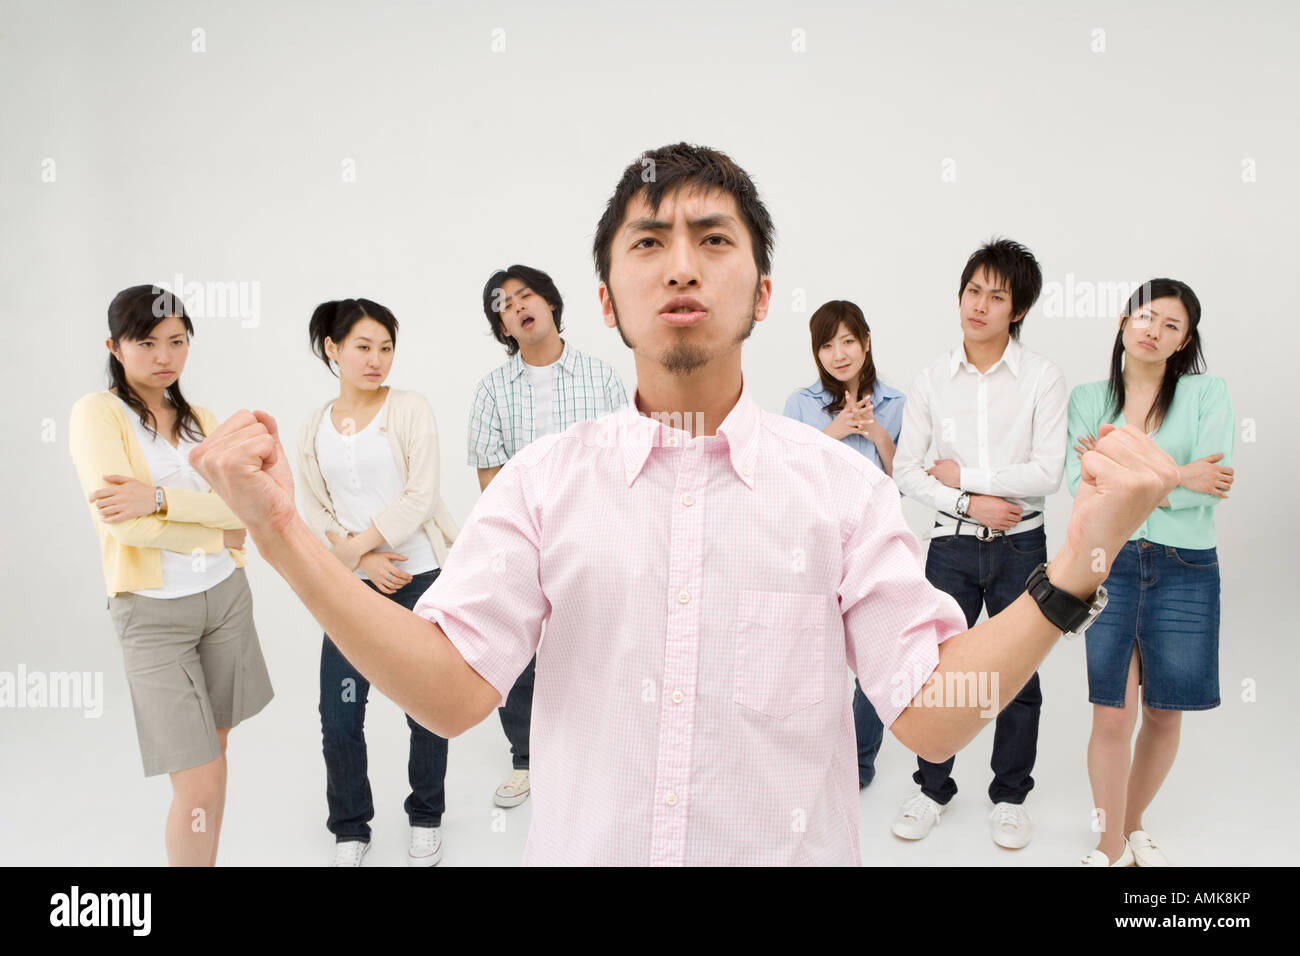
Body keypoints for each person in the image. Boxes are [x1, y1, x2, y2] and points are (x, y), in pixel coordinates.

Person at [189, 143, 1177, 866]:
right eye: (649, 241)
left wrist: (1076, 559)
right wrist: (280, 532)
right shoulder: (541, 484)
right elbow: (450, 693)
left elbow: (927, 717)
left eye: (713, 238)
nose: (680, 262)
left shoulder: (840, 486)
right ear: (609, 301)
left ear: (760, 293)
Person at [68, 284, 273, 866]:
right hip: (153, 614)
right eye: (147, 343)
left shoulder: (201, 419)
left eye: (178, 341)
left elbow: (246, 509)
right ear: (115, 346)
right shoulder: (97, 414)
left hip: (225, 601)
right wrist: (216, 531)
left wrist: (156, 496)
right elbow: (125, 528)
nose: (165, 356)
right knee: (199, 780)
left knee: (216, 753)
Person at [890, 238, 1067, 849]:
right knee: (935, 670)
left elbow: (1048, 472)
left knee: (1018, 676)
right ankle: (932, 787)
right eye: (973, 291)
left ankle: (1011, 795)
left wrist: (964, 477)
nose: (980, 306)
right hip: (953, 546)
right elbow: (907, 471)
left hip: (1022, 545)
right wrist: (969, 505)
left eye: (997, 296)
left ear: (1016, 310)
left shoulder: (1042, 377)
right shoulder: (932, 379)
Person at [1066, 278, 1233, 867]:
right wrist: (1178, 476)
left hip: (1186, 567)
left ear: (1184, 342)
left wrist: (1136, 478)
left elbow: (1214, 483)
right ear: (1122, 320)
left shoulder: (1207, 394)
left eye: (1172, 327)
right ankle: (1110, 848)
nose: (1155, 332)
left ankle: (1133, 825)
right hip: (1108, 563)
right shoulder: (1089, 399)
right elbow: (1082, 486)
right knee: (1111, 711)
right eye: (1147, 317)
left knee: (1164, 711)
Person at [296, 298, 460, 867]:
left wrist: (361, 548)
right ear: (332, 349)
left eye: (386, 348)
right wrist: (363, 563)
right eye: (363, 347)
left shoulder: (409, 408)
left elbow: (421, 493)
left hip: (421, 576)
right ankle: (350, 826)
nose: (376, 360)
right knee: (339, 710)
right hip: (355, 585)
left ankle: (426, 816)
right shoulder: (315, 426)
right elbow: (315, 507)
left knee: (427, 708)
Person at [467, 264, 627, 809]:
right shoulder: (491, 389)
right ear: (503, 327)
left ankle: (598, 748)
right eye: (504, 305)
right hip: (520, 541)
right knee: (516, 653)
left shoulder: (601, 377)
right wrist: (524, 535)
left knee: (598, 644)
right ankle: (527, 759)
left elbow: (621, 464)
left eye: (526, 295)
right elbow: (490, 474)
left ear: (552, 304)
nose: (516, 306)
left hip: (593, 536)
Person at [783, 300, 905, 789]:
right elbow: (787, 478)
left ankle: (857, 762)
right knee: (812, 653)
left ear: (866, 342)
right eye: (827, 345)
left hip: (874, 542)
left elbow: (905, 476)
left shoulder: (896, 403)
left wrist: (873, 429)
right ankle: (810, 754)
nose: (838, 354)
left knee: (876, 657)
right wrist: (835, 430)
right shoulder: (800, 404)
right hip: (814, 544)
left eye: (848, 341)